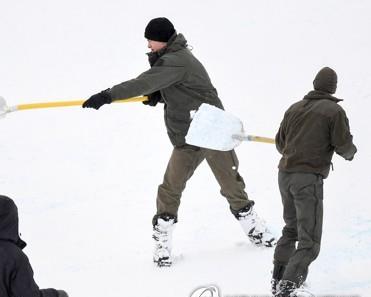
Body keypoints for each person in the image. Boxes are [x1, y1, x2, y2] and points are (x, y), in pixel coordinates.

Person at [82, 17, 276, 267]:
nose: (148, 45)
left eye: (150, 40)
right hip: (189, 134)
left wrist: (107, 95)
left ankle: (255, 229)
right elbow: (178, 87)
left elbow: (143, 82)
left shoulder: (177, 60)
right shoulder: (171, 58)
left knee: (231, 185)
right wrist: (161, 95)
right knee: (170, 186)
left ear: (161, 39)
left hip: (211, 130)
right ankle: (162, 239)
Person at [272, 67, 356, 297]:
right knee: (309, 241)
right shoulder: (334, 111)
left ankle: (278, 282)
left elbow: (280, 143)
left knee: (291, 230)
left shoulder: (294, 108)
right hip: (307, 180)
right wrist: (350, 153)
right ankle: (288, 294)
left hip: (284, 175)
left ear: (314, 83)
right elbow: (343, 144)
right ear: (333, 88)